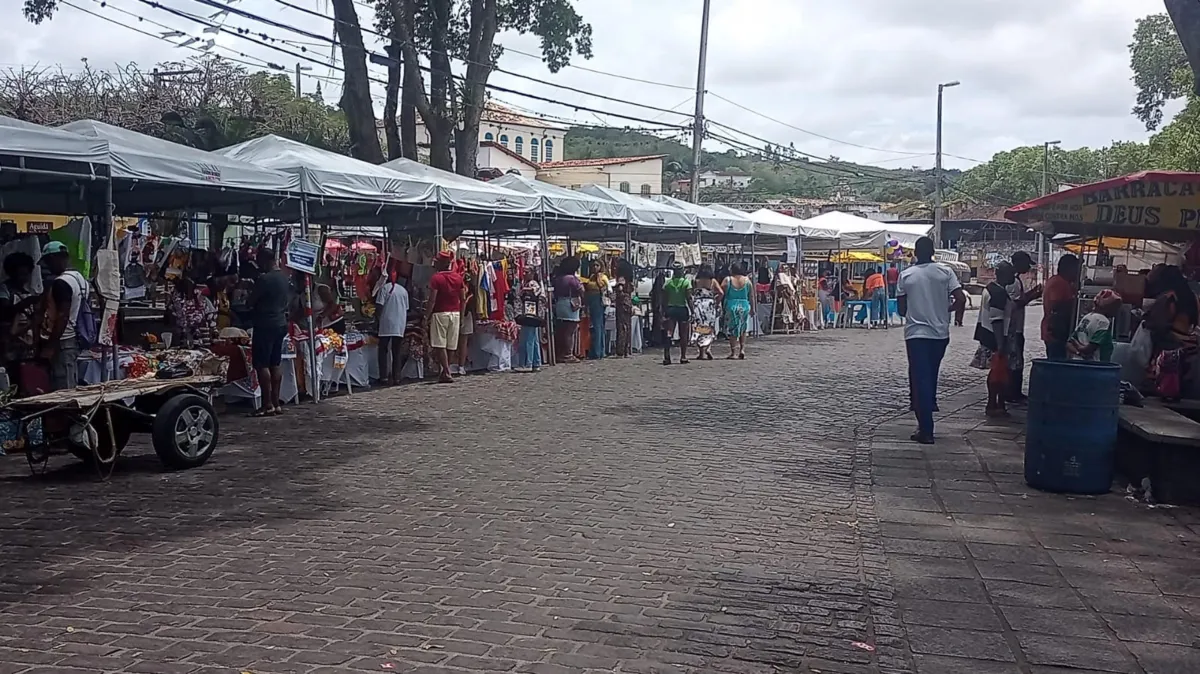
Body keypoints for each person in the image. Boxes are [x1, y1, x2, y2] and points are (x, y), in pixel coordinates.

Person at [898, 236, 967, 444]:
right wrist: (946, 310)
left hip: (916, 334)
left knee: (920, 379)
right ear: (933, 252)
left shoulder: (906, 275)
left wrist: (916, 309)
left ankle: (926, 428)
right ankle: (929, 405)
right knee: (931, 374)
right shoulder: (946, 272)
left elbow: (902, 309)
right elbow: (961, 298)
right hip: (939, 334)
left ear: (916, 253)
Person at [38, 241, 91, 393]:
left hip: (63, 340)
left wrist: (51, 346)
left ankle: (68, 416)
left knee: (64, 388)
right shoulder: (79, 278)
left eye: (48, 262)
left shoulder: (61, 283)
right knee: (69, 381)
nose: (47, 267)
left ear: (55, 258)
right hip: (74, 338)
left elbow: (62, 315)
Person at [247, 247, 291, 416]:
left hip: (265, 323)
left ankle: (267, 404)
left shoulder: (264, 279)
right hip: (280, 322)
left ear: (265, 260)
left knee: (262, 364)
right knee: (275, 362)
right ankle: (276, 402)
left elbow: (251, 302)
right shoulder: (284, 278)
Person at [969, 262, 1015, 418]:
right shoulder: (998, 293)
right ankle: (995, 403)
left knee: (996, 372)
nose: (1013, 277)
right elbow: (997, 319)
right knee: (999, 372)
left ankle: (994, 403)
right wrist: (1001, 344)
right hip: (995, 337)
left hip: (987, 334)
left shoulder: (990, 289)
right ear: (1002, 274)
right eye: (1010, 273)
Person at [1004, 251, 1043, 404]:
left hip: (1016, 327)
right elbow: (1015, 304)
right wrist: (1032, 296)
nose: (1028, 268)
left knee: (1016, 360)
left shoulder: (1016, 281)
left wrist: (1031, 294)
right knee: (1015, 361)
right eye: (1026, 264)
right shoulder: (1013, 282)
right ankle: (1013, 392)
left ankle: (1014, 391)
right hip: (1014, 328)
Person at [0, 253, 38, 392]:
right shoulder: (5, 290)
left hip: (27, 344)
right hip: (9, 343)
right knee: (10, 376)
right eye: (21, 274)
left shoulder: (29, 291)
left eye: (26, 274)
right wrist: (24, 304)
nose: (24, 278)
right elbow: (4, 310)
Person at [426, 250, 465, 384]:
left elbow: (432, 300)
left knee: (440, 344)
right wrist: (462, 315)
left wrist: (426, 316)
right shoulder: (458, 277)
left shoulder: (436, 278)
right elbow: (463, 298)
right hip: (455, 313)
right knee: (451, 344)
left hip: (440, 313)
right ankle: (445, 371)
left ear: (442, 263)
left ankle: (447, 371)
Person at [1042, 254, 1080, 360]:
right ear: (1068, 268)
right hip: (1055, 333)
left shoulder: (1063, 282)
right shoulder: (1059, 283)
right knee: (1057, 362)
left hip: (1056, 332)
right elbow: (1057, 307)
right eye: (1075, 268)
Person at [374, 273, 409, 386]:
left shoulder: (384, 288)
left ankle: (383, 377)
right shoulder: (403, 291)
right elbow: (406, 308)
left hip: (386, 323)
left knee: (383, 350)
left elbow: (379, 306)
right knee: (396, 351)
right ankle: (396, 377)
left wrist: (377, 320)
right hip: (399, 324)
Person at [1069, 289, 1121, 362]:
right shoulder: (1103, 321)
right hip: (1095, 365)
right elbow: (1089, 349)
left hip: (1078, 362)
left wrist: (1078, 351)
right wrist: (1080, 348)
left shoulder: (1086, 317)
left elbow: (1069, 343)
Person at [168, 276, 217, 348]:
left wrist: (214, 332)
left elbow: (211, 317)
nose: (189, 290)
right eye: (186, 287)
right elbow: (173, 317)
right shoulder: (176, 301)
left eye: (190, 287)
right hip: (182, 338)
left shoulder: (202, 300)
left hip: (202, 338)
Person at [553, 257, 584, 364]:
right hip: (570, 304)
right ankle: (568, 354)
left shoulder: (558, 278)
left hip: (560, 303)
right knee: (570, 331)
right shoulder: (572, 279)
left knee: (562, 330)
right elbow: (581, 290)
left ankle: (561, 353)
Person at [515, 268, 547, 372]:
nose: (524, 274)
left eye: (527, 272)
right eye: (523, 272)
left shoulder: (533, 284)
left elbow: (534, 293)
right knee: (534, 340)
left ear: (532, 273)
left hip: (530, 314)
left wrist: (524, 290)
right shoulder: (526, 283)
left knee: (527, 340)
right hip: (530, 315)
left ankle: (527, 363)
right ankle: (536, 362)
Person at [690, 265, 723, 360]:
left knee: (700, 327)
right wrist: (716, 302)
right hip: (709, 304)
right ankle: (708, 348)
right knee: (709, 327)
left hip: (699, 304)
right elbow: (721, 292)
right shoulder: (712, 281)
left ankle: (701, 352)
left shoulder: (695, 281)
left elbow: (691, 293)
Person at [662, 264, 693, 365]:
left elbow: (664, 299)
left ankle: (667, 356)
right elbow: (689, 298)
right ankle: (683, 356)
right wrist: (692, 311)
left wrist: (663, 311)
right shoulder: (686, 282)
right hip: (682, 309)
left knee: (668, 333)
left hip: (671, 309)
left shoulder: (668, 283)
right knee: (683, 334)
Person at [723, 262, 753, 359]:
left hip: (731, 305)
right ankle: (742, 349)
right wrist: (752, 308)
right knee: (743, 328)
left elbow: (721, 289)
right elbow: (751, 296)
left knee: (733, 329)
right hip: (744, 305)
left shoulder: (728, 279)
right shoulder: (747, 281)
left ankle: (733, 352)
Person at [583, 264, 609, 360]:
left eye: (597, 265)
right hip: (591, 301)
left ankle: (599, 351)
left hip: (598, 301)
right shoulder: (591, 276)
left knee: (598, 326)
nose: (595, 267)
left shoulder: (603, 277)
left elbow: (607, 288)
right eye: (594, 265)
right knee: (595, 326)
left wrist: (599, 280)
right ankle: (597, 350)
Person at [613, 265, 635, 358]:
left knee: (621, 328)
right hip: (628, 305)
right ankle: (627, 350)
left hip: (622, 306)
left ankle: (621, 350)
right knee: (628, 328)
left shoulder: (621, 280)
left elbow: (620, 290)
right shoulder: (630, 282)